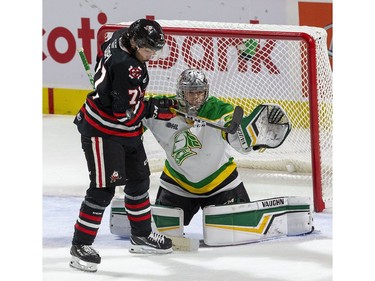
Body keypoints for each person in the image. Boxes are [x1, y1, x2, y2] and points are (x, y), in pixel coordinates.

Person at [69, 19, 177, 272]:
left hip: (127, 132)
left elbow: (118, 91)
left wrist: (110, 89)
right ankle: (80, 246)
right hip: (102, 132)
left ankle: (141, 236)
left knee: (139, 180)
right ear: (135, 42)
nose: (151, 55)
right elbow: (124, 113)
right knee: (103, 189)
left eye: (154, 50)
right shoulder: (127, 67)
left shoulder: (120, 36)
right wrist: (154, 108)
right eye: (148, 50)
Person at [142, 68, 253, 227]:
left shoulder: (217, 110)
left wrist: (249, 135)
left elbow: (234, 127)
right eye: (191, 93)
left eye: (200, 93)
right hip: (177, 184)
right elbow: (135, 120)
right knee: (161, 230)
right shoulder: (163, 109)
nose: (196, 98)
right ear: (181, 93)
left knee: (241, 227)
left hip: (222, 184)